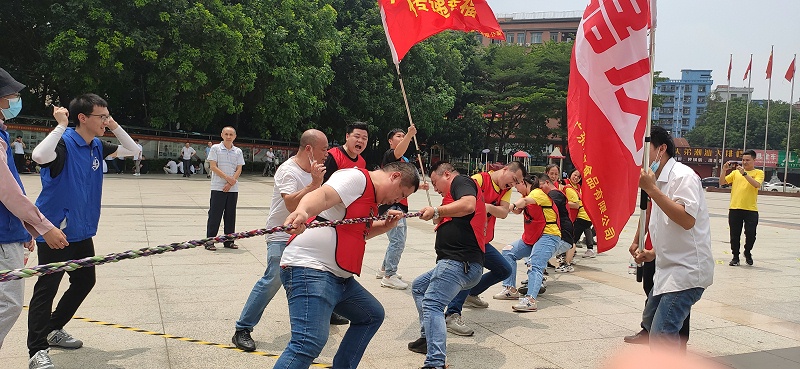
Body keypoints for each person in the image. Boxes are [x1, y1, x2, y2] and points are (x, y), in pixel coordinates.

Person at [28, 93, 140, 367]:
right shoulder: (63, 143)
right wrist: (60, 124)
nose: (106, 120)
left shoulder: (96, 146)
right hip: (56, 231)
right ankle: (37, 350)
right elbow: (39, 155)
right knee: (47, 288)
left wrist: (113, 125)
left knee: (84, 281)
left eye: (107, 116)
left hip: (82, 229)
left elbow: (134, 149)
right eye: (101, 117)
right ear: (82, 118)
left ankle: (53, 328)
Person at [274, 161, 419, 369]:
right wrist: (303, 211)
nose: (399, 200)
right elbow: (323, 195)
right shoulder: (356, 178)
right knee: (308, 342)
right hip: (311, 267)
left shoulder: (371, 201)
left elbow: (359, 233)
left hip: (338, 277)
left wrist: (385, 226)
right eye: (401, 193)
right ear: (394, 176)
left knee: (371, 315)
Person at [231, 129, 328, 352]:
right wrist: (314, 184)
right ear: (309, 149)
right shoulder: (288, 171)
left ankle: (326, 314)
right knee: (273, 278)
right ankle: (242, 329)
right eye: (324, 149)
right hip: (280, 235)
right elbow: (291, 206)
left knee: (322, 275)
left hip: (305, 235)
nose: (327, 154)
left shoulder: (316, 171)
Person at [0, 68, 69, 354]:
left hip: (10, 230)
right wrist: (43, 226)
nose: (16, 99)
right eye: (11, 94)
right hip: (2, 236)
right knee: (9, 304)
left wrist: (24, 228)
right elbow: (8, 192)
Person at [634, 126, 713, 349]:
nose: (640, 157)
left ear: (661, 149)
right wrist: (652, 253)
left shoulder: (683, 176)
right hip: (667, 270)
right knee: (649, 323)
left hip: (686, 272)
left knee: (661, 336)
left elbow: (687, 220)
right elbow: (668, 230)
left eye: (644, 149)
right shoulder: (658, 181)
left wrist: (652, 191)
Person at [408, 162, 485, 368]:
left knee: (432, 303)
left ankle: (435, 361)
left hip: (459, 262)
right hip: (456, 264)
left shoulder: (461, 181)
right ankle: (428, 339)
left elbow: (469, 205)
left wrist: (436, 210)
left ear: (447, 174)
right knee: (419, 287)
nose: (435, 188)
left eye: (435, 182)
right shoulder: (451, 198)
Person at [443, 161, 525, 336]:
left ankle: (471, 294)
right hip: (466, 239)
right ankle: (452, 314)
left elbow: (503, 213)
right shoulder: (478, 180)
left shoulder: (506, 189)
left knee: (504, 269)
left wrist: (486, 206)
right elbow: (464, 204)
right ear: (505, 169)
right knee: (471, 272)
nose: (513, 184)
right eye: (514, 179)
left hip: (482, 240)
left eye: (517, 183)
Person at [502, 175, 573, 312]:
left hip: (549, 235)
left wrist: (512, 206)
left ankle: (530, 300)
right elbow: (518, 209)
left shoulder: (536, 193)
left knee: (535, 263)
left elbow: (523, 202)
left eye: (517, 184)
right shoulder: (527, 195)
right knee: (508, 251)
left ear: (524, 183)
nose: (515, 187)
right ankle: (509, 289)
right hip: (534, 236)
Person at [376, 125, 424, 290]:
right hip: (391, 205)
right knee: (398, 241)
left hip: (400, 205)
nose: (402, 137)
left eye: (403, 135)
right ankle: (390, 275)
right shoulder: (391, 156)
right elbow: (398, 151)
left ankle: (384, 269)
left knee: (395, 240)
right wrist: (410, 135)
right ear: (390, 141)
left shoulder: (404, 161)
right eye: (398, 136)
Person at [719, 150, 763, 266]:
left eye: (747, 160)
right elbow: (722, 182)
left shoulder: (759, 172)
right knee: (734, 234)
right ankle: (735, 257)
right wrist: (724, 170)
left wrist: (744, 174)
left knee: (751, 234)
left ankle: (747, 252)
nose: (744, 162)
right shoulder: (735, 173)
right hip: (735, 208)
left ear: (754, 160)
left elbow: (756, 185)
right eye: (743, 160)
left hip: (751, 209)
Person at [205, 127, 245, 251]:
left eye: (231, 134)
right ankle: (210, 241)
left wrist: (232, 182)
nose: (228, 136)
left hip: (233, 188)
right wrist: (228, 179)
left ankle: (229, 240)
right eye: (226, 134)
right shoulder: (215, 148)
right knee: (215, 214)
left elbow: (239, 168)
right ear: (222, 135)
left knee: (230, 215)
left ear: (235, 136)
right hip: (218, 187)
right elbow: (213, 166)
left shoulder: (238, 151)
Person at [564, 169, 597, 258]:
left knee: (572, 240)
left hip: (581, 217)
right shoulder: (577, 187)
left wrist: (561, 203)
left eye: (578, 177)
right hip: (585, 216)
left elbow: (576, 205)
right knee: (577, 236)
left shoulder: (570, 188)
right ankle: (588, 249)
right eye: (575, 175)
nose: (576, 178)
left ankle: (568, 260)